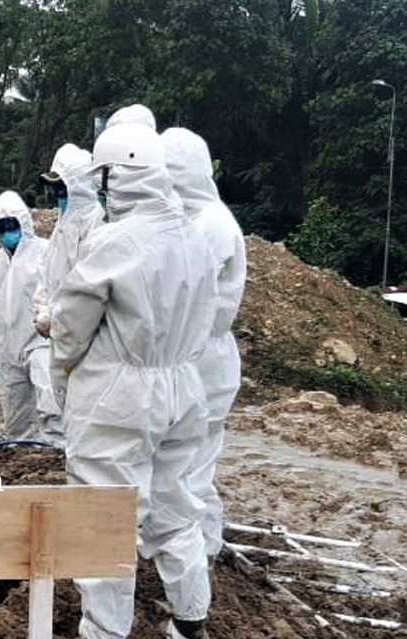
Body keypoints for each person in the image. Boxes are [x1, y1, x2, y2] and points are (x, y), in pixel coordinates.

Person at [49, 122, 218, 639]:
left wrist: (64, 370)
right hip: (184, 387)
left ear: (115, 176)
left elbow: (72, 326)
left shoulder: (115, 240)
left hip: (121, 394)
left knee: (105, 517)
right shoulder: (193, 236)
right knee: (176, 506)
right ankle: (190, 629)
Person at [162, 127, 247, 558]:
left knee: (192, 475)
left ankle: (202, 555)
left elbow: (182, 292)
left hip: (206, 363)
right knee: (184, 470)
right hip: (193, 359)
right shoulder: (195, 221)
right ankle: (196, 552)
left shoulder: (212, 225)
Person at [0, 190, 62, 443]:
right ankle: (22, 456)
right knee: (16, 412)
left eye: (11, 226)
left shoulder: (45, 251)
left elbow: (60, 289)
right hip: (8, 348)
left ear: (24, 223)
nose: (5, 233)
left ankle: (57, 452)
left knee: (50, 400)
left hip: (40, 340)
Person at [36, 143, 105, 339]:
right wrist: (44, 312)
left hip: (88, 338)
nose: (58, 195)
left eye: (62, 188)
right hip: (61, 334)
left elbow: (89, 288)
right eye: (54, 189)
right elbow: (46, 274)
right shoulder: (62, 227)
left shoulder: (98, 225)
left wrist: (60, 317)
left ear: (79, 187)